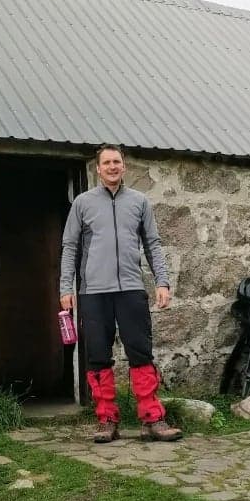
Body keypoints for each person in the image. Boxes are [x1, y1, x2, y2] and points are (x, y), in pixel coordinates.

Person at [59, 145, 182, 443]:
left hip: (131, 289)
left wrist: (162, 282)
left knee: (141, 353)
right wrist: (66, 288)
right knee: (98, 356)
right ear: (97, 169)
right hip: (93, 293)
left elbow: (153, 244)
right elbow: (70, 247)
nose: (113, 167)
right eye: (107, 163)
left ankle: (152, 419)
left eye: (117, 162)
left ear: (124, 167)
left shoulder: (139, 202)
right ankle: (107, 420)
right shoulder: (82, 203)